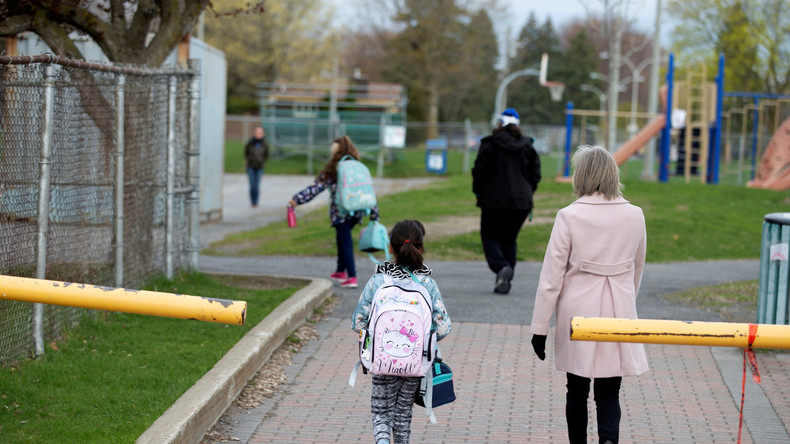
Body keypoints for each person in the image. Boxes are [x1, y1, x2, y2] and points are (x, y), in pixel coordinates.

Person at [529, 145, 649, 444]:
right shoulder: (635, 215)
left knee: (577, 388)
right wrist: (625, 298)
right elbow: (637, 267)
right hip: (618, 308)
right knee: (610, 389)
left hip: (578, 310)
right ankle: (609, 440)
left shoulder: (569, 216)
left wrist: (539, 329)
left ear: (580, 175)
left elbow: (551, 278)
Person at [352, 219, 451, 444]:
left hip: (381, 361)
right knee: (403, 414)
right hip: (414, 363)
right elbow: (444, 326)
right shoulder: (427, 284)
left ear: (390, 248)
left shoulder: (378, 281)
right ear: (421, 248)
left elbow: (358, 322)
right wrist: (423, 341)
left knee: (381, 413)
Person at [289, 135, 379, 288]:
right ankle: (340, 271)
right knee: (341, 238)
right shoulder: (357, 165)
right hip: (357, 208)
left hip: (341, 210)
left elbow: (316, 188)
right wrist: (374, 212)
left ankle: (352, 276)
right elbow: (367, 189)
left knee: (345, 242)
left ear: (335, 150)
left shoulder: (335, 168)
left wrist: (297, 199)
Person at [472, 108, 541, 294]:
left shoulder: (489, 144)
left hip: (493, 201)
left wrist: (478, 191)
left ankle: (502, 267)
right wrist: (527, 192)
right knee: (509, 239)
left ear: (499, 123)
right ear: (517, 125)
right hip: (521, 203)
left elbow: (479, 171)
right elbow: (536, 175)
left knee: (490, 236)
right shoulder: (527, 146)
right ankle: (505, 279)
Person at [244, 126, 269, 207]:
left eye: (260, 133)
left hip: (259, 167)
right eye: (257, 133)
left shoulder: (265, 144)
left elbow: (266, 155)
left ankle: (256, 202)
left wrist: (262, 162)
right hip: (250, 166)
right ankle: (252, 202)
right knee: (252, 185)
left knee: (257, 186)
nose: (258, 134)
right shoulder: (250, 143)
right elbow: (246, 153)